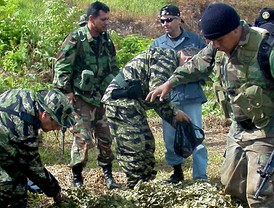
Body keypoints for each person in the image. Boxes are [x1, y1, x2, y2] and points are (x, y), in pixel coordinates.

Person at [146, 2, 274, 207]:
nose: (215, 45)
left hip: (266, 130)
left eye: (219, 40)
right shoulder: (217, 45)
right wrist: (169, 83)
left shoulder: (266, 48)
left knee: (260, 194)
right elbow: (196, 64)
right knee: (231, 185)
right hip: (239, 128)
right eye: (211, 41)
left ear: (235, 30)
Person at [101, 47, 196, 189]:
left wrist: (174, 118)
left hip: (133, 105)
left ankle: (146, 185)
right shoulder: (167, 59)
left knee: (147, 145)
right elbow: (156, 92)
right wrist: (175, 113)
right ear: (188, 60)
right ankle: (135, 189)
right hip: (120, 103)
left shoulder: (169, 59)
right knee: (134, 147)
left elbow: (156, 98)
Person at [52, 1, 119, 189]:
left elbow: (113, 66)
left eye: (108, 19)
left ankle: (108, 174)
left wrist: (114, 88)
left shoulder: (106, 40)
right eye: (103, 19)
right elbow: (62, 66)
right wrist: (66, 92)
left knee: (105, 137)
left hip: (101, 97)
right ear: (91, 19)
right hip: (81, 97)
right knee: (83, 138)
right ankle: (77, 177)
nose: (107, 23)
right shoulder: (76, 38)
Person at [150, 5, 208, 183]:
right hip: (169, 98)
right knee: (170, 138)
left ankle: (200, 176)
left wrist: (188, 74)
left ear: (179, 19)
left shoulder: (195, 40)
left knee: (196, 135)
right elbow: (153, 70)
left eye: (169, 20)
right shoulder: (157, 44)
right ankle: (177, 172)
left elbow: (206, 65)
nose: (165, 24)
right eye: (162, 21)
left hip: (190, 96)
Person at [0, 88, 76, 207]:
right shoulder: (24, 131)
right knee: (7, 188)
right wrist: (55, 192)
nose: (58, 128)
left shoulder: (26, 95)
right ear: (45, 114)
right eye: (56, 123)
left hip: (4, 144)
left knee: (19, 185)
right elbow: (34, 169)